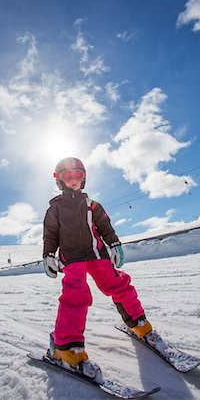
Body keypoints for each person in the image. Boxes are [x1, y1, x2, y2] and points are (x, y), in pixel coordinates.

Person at [43, 157, 153, 378]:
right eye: (68, 176)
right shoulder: (55, 208)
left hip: (97, 254)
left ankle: (138, 322)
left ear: (83, 178)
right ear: (60, 181)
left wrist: (114, 244)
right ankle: (65, 348)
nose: (73, 180)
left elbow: (105, 226)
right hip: (72, 259)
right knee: (76, 296)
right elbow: (50, 235)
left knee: (118, 284)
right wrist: (48, 255)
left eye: (77, 176)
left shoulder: (92, 205)